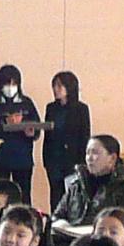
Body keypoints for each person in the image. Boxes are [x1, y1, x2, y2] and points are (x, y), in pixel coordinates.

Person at [51, 135, 124, 236]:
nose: (89, 158)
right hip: (71, 240)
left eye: (95, 153)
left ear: (112, 158)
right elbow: (57, 216)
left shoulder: (122, 187)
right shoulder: (76, 184)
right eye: (87, 153)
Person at [0, 65, 40, 202]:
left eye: (14, 83)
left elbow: (37, 128)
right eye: (6, 83)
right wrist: (5, 122)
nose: (10, 87)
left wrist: (31, 132)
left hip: (23, 158)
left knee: (24, 196)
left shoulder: (27, 103)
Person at [42, 71, 89, 209]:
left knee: (72, 197)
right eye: (54, 86)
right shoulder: (51, 108)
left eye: (59, 86)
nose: (56, 90)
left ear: (69, 87)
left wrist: (81, 162)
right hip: (54, 159)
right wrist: (46, 159)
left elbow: (84, 136)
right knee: (55, 197)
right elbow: (48, 134)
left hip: (73, 160)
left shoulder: (81, 109)